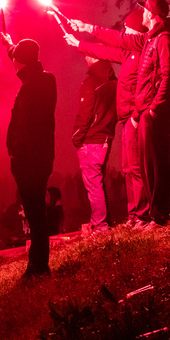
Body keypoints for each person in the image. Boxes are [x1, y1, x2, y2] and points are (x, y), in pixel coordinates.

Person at [69, 0, 170, 227]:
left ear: (151, 15)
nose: (140, 16)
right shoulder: (146, 42)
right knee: (135, 168)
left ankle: (151, 215)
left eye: (144, 12)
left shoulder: (159, 40)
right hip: (136, 115)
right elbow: (113, 44)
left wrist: (149, 110)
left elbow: (166, 76)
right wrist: (85, 33)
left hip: (143, 115)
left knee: (147, 167)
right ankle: (142, 215)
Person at [65, 10, 148, 227]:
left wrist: (87, 28)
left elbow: (114, 43)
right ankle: (134, 215)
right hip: (124, 120)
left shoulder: (140, 48)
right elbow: (108, 51)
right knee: (129, 170)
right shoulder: (128, 55)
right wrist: (80, 42)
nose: (125, 33)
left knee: (136, 170)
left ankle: (141, 215)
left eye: (129, 29)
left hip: (133, 117)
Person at [3, 36, 57, 279]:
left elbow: (30, 130)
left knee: (35, 214)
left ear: (20, 61)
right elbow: (21, 58)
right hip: (37, 158)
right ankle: (37, 264)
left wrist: (18, 153)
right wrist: (10, 45)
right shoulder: (44, 78)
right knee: (36, 213)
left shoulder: (31, 88)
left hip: (30, 161)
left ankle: (38, 266)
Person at [71, 56, 118, 233]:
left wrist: (77, 137)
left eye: (88, 53)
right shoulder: (114, 82)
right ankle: (104, 222)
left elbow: (85, 113)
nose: (84, 57)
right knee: (98, 181)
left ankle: (100, 225)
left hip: (92, 139)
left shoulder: (91, 83)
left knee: (93, 184)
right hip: (106, 137)